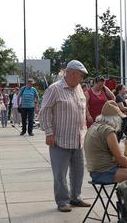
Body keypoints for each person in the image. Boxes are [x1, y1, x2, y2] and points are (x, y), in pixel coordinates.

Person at [39, 60, 90, 212]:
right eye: (80, 76)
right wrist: (49, 133)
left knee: (78, 171)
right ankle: (62, 201)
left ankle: (76, 197)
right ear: (71, 73)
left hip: (78, 138)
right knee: (60, 172)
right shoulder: (54, 89)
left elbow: (81, 109)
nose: (81, 79)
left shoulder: (79, 88)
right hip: (59, 138)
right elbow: (45, 111)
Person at [85, 100, 127, 185]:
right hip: (105, 172)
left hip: (94, 172)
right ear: (115, 118)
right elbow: (120, 158)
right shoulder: (108, 131)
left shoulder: (94, 126)